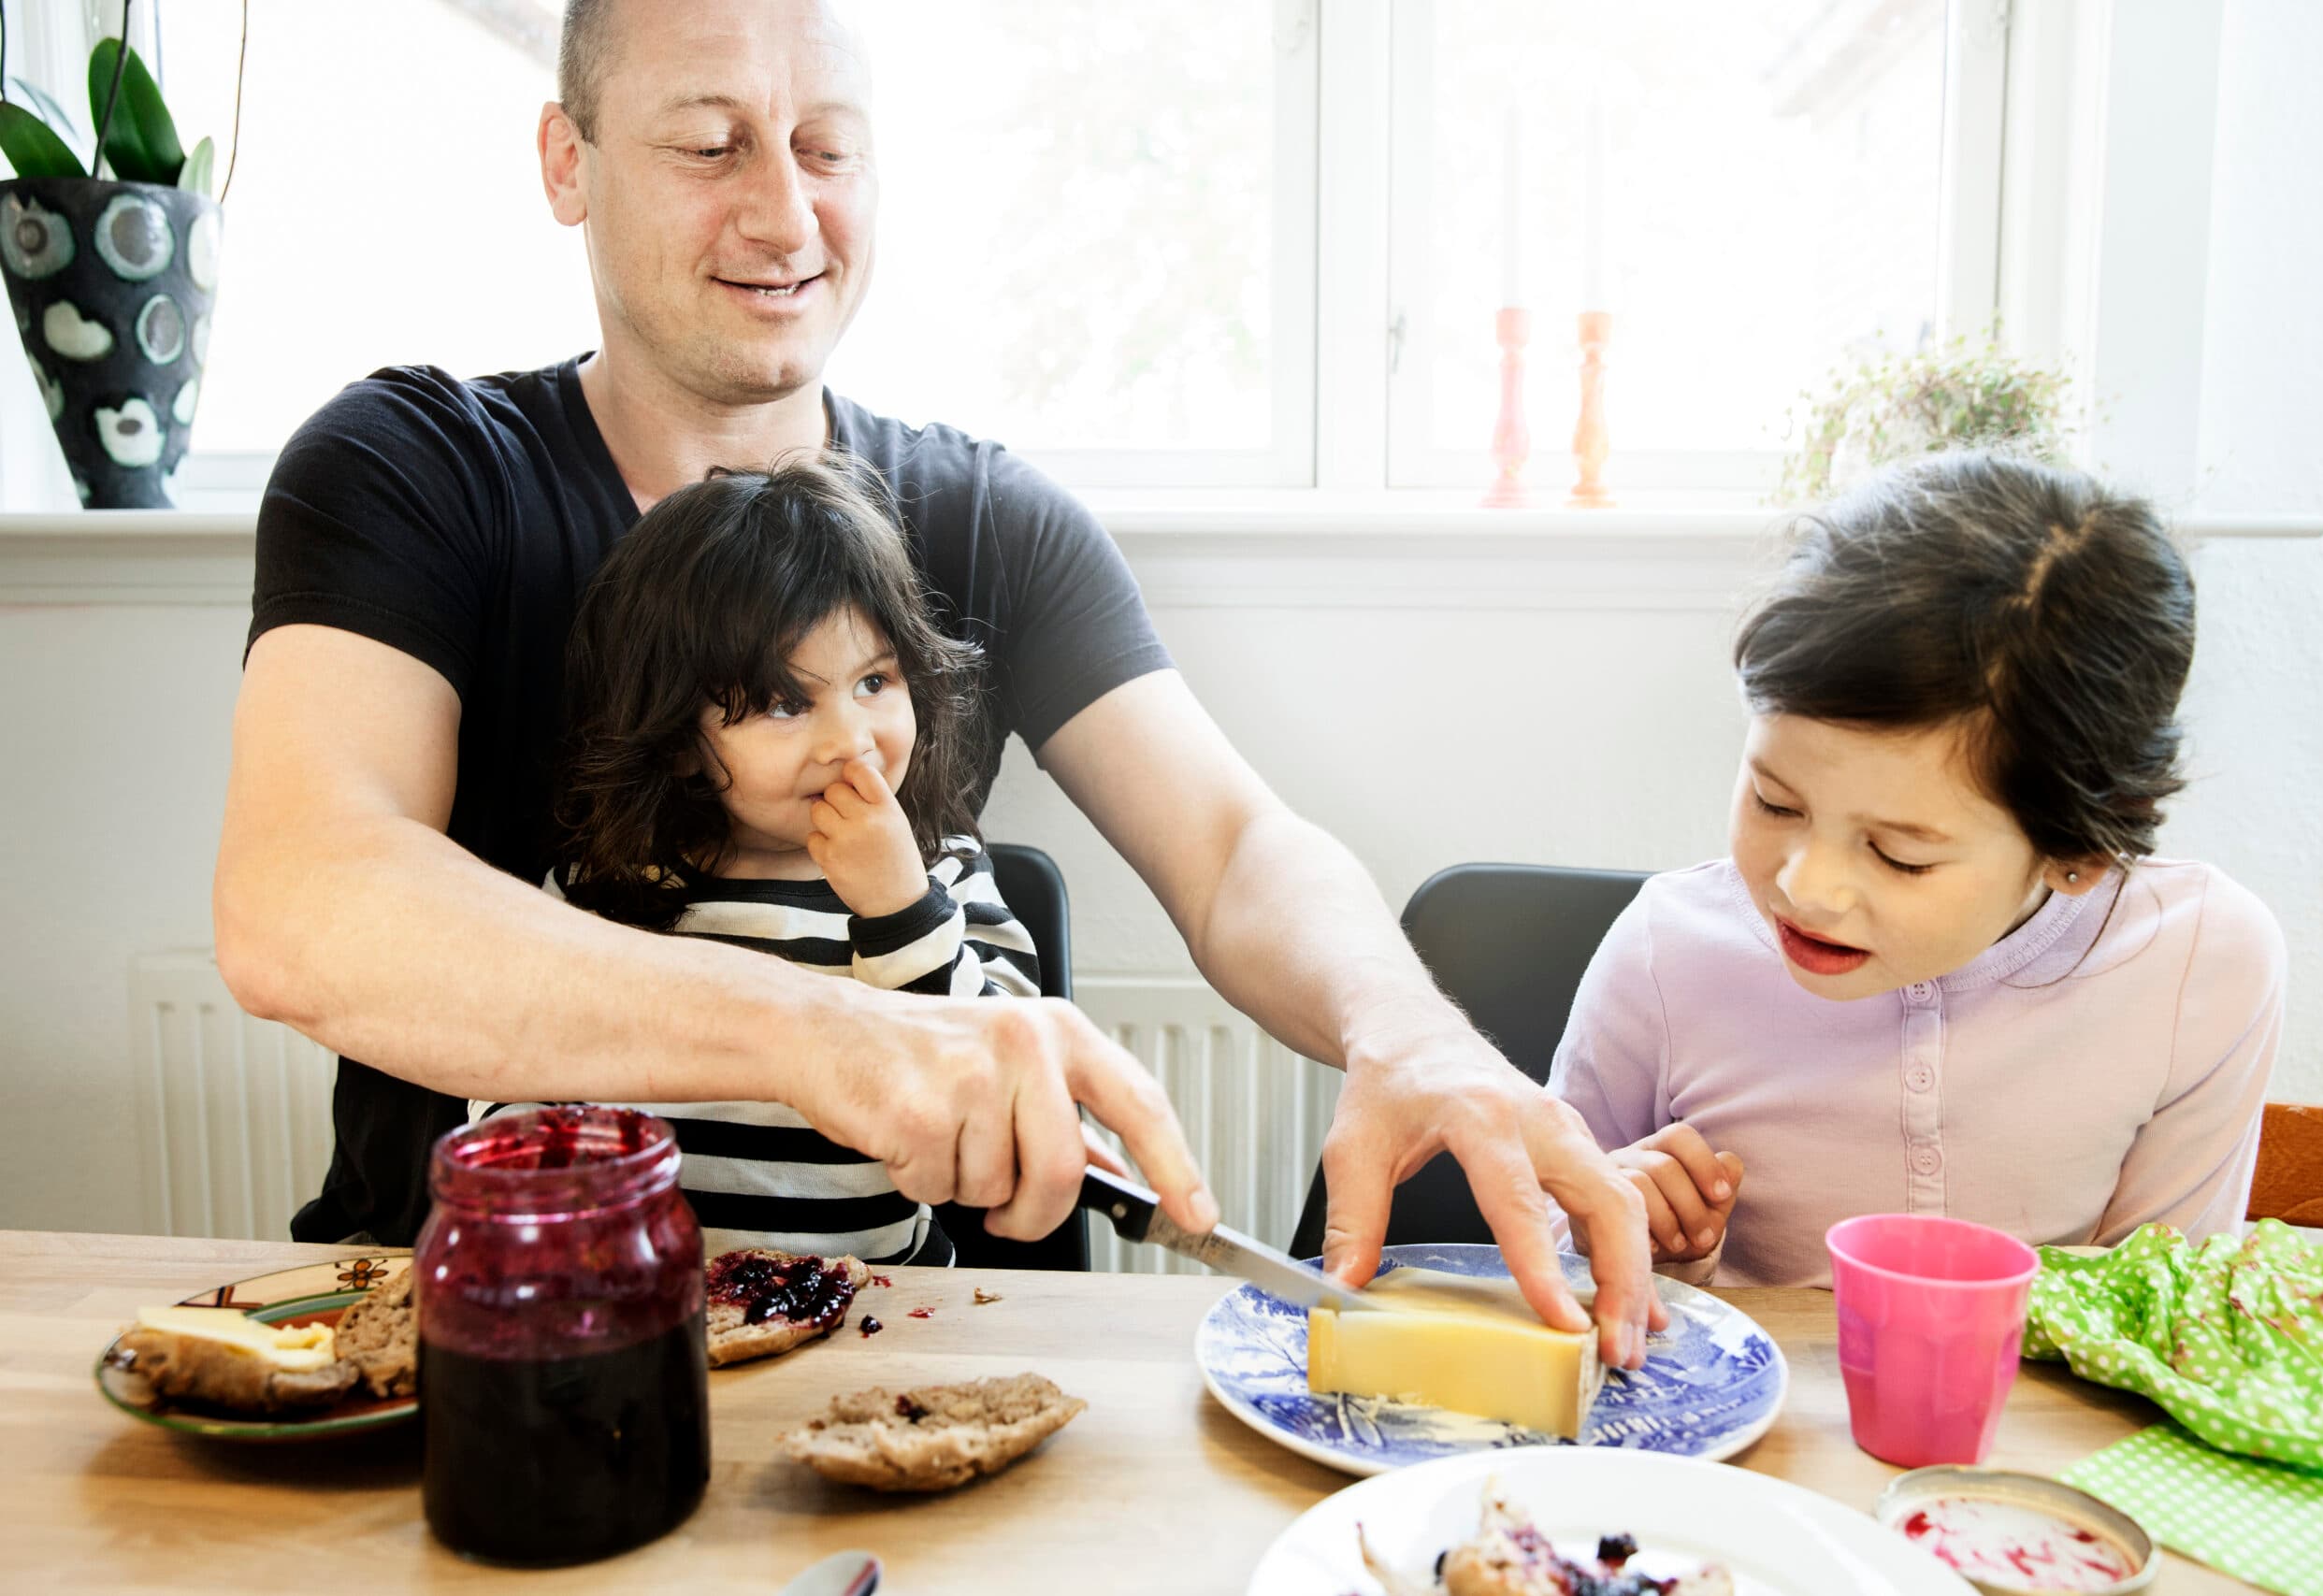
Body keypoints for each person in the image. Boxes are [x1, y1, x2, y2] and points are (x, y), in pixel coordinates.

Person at [213, 0, 1656, 1356]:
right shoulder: (412, 470)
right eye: (710, 145)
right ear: (567, 160)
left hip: (910, 1351)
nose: (785, 213)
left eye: (827, 148)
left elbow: (1230, 845)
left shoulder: (990, 517)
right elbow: (300, 899)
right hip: (478, 1336)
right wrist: (826, 1035)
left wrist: (1408, 1032)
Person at [1549, 452, 2285, 1287]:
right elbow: (1538, 1240)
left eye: (1901, 855)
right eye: (1775, 801)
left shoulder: (2200, 963)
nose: (1804, 886)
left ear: (2078, 853)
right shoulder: (1666, 950)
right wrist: (1634, 1243)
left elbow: (2161, 1307)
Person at [472, 458, 1056, 1263]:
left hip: (883, 1307)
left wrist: (899, 911)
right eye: (786, 702)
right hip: (662, 1314)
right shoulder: (608, 893)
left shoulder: (942, 874)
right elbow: (509, 1097)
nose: (850, 739)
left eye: (875, 680)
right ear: (678, 739)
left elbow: (993, 1088)